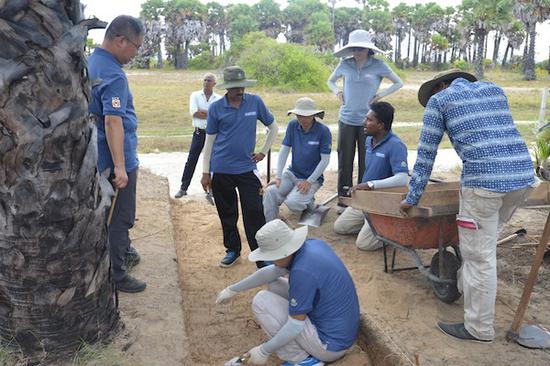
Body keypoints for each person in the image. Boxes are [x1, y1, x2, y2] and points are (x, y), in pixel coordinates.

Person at [400, 69, 537, 342]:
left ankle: (478, 328)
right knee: (482, 248)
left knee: (479, 257)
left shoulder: (440, 101)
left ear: (441, 85)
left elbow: (426, 155)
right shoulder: (494, 90)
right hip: (523, 178)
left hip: (484, 184)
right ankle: (466, 285)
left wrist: (411, 198)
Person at [217, 219, 360, 366]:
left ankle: (302, 359)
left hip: (329, 346)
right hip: (341, 331)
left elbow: (295, 325)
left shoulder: (302, 272)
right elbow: (271, 273)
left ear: (283, 252)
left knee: (261, 301)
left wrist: (264, 350)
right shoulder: (311, 246)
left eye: (271, 255)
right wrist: (233, 289)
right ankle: (303, 349)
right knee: (274, 284)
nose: (271, 260)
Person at [88, 15, 147, 293]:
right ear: (121, 40)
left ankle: (112, 261)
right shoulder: (112, 74)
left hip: (95, 158)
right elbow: (113, 121)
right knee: (120, 218)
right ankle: (117, 276)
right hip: (114, 161)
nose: (136, 53)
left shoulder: (92, 62)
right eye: (136, 46)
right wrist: (121, 167)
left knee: (103, 216)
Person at [201, 66, 278, 269]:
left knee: (254, 211)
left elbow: (273, 127)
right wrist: (205, 172)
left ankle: (261, 254)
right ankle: (233, 250)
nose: (240, 91)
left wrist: (263, 151)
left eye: (242, 86)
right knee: (227, 212)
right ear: (227, 88)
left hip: (246, 169)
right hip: (222, 168)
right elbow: (209, 142)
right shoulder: (216, 108)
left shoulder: (255, 102)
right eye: (235, 87)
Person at [328, 29, 403, 214]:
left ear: (369, 49)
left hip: (367, 122)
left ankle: (361, 199)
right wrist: (337, 92)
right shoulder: (345, 65)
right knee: (344, 161)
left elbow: (398, 82)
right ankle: (343, 199)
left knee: (365, 161)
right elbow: (331, 81)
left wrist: (380, 95)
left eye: (360, 48)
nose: (357, 51)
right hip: (346, 119)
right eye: (354, 48)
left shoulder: (378, 65)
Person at [334, 102, 408, 250]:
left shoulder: (396, 145)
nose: (364, 123)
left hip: (382, 203)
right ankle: (372, 226)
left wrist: (370, 185)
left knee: (364, 244)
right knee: (340, 227)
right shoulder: (369, 141)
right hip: (365, 200)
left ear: (380, 125)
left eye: (369, 120)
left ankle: (391, 229)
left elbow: (403, 178)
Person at [263, 97, 331, 222]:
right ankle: (271, 225)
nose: (302, 119)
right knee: (270, 192)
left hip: (311, 178)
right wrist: (278, 176)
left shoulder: (323, 131)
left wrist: (309, 181)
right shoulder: (292, 125)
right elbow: (284, 151)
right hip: (292, 173)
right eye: (299, 115)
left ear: (314, 115)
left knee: (293, 203)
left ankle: (310, 203)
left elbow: (325, 160)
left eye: (306, 115)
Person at [175, 73, 221, 198]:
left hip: (213, 134)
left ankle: (211, 189)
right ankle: (183, 188)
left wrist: (206, 113)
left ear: (214, 83)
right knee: (191, 160)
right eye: (205, 80)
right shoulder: (195, 95)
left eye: (209, 80)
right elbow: (195, 113)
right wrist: (211, 113)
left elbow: (219, 116)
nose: (206, 82)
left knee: (213, 161)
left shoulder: (219, 98)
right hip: (199, 132)